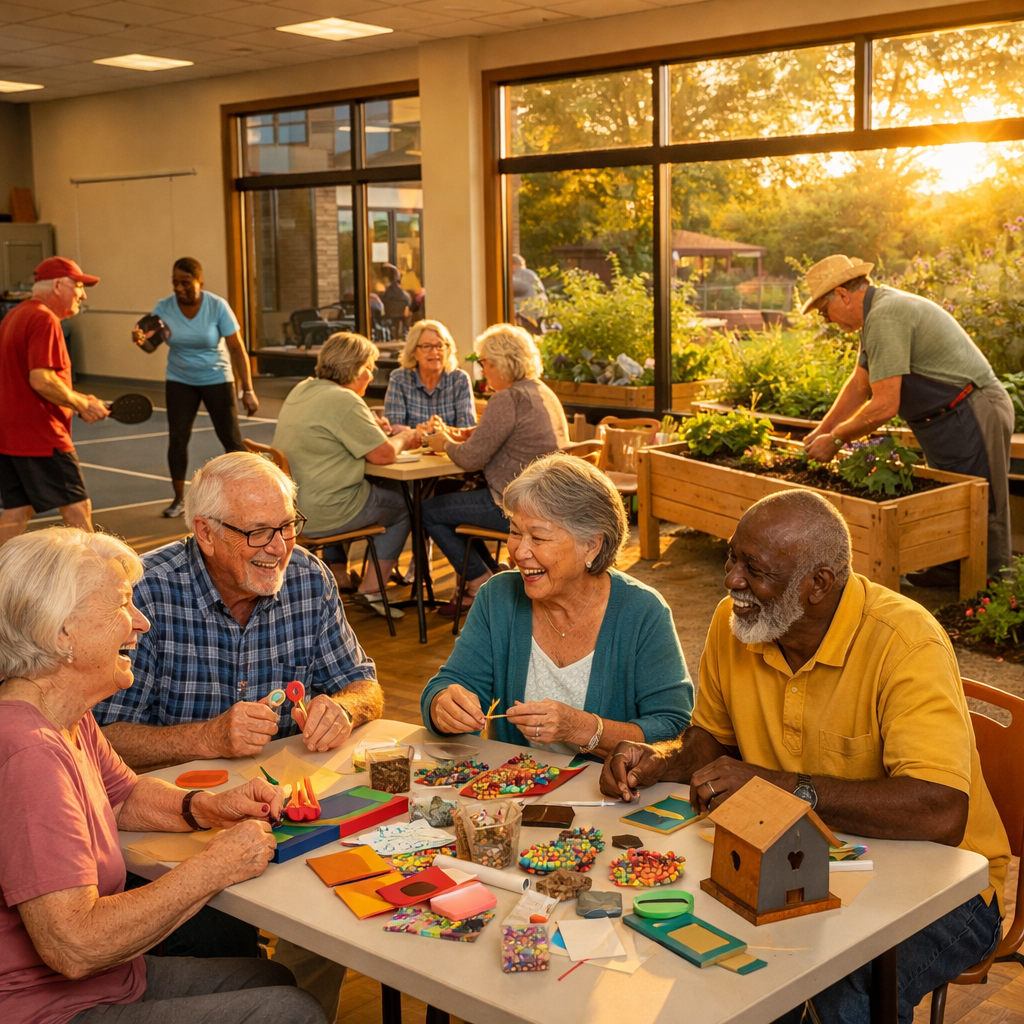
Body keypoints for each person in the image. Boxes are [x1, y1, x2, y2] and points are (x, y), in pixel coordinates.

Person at [602, 489, 1010, 1024]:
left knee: (839, 998)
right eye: (732, 558)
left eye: (755, 569)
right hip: (794, 869)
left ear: (818, 584)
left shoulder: (905, 642)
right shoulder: (737, 625)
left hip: (950, 890)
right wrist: (663, 759)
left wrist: (784, 788)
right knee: (701, 966)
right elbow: (710, 740)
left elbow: (940, 812)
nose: (732, 582)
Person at [92, 451, 378, 1018]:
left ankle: (291, 1001)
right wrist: (207, 738)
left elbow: (364, 685)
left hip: (282, 805)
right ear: (205, 532)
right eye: (258, 532)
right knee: (217, 934)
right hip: (169, 823)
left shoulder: (307, 578)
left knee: (350, 897)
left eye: (289, 526)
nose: (280, 546)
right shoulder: (146, 595)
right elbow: (97, 738)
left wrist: (344, 709)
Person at [0, 527, 326, 1024]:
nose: (141, 623)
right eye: (121, 607)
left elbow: (123, 796)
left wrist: (210, 807)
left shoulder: (64, 712)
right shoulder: (29, 751)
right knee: (290, 1011)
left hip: (109, 979)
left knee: (272, 979)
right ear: (60, 632)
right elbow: (74, 945)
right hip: (44, 1008)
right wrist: (215, 866)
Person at [422, 454, 692, 752]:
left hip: (612, 793)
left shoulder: (642, 612)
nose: (519, 552)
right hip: (514, 790)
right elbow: (451, 682)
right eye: (514, 532)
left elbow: (673, 729)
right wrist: (442, 705)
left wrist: (583, 728)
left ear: (591, 545)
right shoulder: (497, 597)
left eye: (538, 538)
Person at [801, 254, 1014, 582]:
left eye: (822, 310)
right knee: (949, 501)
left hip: (973, 410)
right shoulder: (874, 318)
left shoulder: (886, 315)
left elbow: (885, 405)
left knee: (984, 506)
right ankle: (948, 574)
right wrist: (821, 431)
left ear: (842, 294)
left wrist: (838, 438)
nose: (825, 320)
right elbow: (859, 387)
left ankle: (995, 590)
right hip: (945, 420)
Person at [421, 323, 570, 614]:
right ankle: (495, 578)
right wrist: (464, 434)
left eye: (486, 364)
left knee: (429, 510)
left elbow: (469, 459)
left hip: (515, 505)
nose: (483, 371)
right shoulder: (541, 391)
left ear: (502, 364)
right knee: (450, 498)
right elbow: (502, 435)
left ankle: (480, 581)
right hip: (551, 502)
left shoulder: (508, 398)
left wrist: (442, 443)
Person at [273, 333, 423, 616]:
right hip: (324, 512)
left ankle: (339, 575)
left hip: (296, 508)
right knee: (403, 508)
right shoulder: (344, 400)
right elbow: (384, 455)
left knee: (351, 489)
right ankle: (373, 590)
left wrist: (376, 430)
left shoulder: (304, 388)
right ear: (355, 369)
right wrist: (409, 436)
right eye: (369, 367)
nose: (370, 374)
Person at [133, 257, 257, 519]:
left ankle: (251, 493)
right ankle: (179, 499)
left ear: (200, 282)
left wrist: (248, 389)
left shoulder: (216, 306)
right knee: (178, 438)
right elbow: (150, 344)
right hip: (180, 378)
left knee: (231, 439)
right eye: (175, 282)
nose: (179, 288)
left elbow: (236, 348)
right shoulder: (164, 308)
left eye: (186, 282)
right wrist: (139, 340)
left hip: (217, 377)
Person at [0, 257, 109, 547]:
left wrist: (78, 398)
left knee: (16, 510)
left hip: (10, 435)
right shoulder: (44, 318)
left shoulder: (14, 315)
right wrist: (82, 404)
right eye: (79, 286)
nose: (82, 295)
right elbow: (42, 380)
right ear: (60, 285)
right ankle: (94, 578)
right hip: (42, 435)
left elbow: (29, 378)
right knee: (77, 507)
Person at [383, 319, 477, 431]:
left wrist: (440, 430)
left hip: (449, 447)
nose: (434, 352)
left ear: (448, 350)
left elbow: (467, 428)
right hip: (412, 447)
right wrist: (422, 432)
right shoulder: (399, 379)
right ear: (414, 352)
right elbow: (394, 427)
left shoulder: (459, 379)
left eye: (440, 345)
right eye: (426, 346)